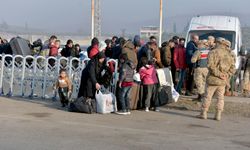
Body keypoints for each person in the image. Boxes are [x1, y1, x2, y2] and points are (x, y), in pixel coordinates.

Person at [197, 37, 236, 121]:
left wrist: (219, 74)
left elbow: (210, 66)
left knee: (208, 96)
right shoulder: (229, 54)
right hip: (223, 80)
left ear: (218, 43)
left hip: (213, 79)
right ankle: (218, 114)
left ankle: (204, 113)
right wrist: (226, 75)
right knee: (220, 98)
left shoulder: (213, 52)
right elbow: (233, 68)